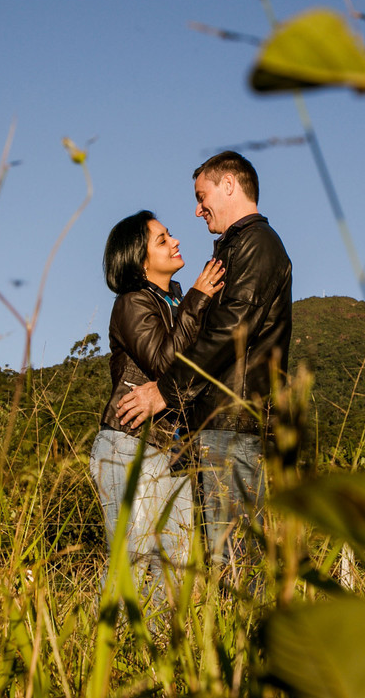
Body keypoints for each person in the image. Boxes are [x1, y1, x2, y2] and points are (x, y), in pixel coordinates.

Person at [117, 151, 292, 577]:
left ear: (229, 185)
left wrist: (165, 390)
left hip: (233, 426)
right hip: (218, 427)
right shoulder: (236, 248)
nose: (197, 209)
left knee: (232, 564)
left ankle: (239, 644)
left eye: (202, 196)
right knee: (223, 562)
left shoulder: (256, 245)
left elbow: (230, 329)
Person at [91, 210, 225, 606]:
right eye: (162, 239)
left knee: (177, 565)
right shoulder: (132, 303)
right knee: (131, 557)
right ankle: (104, 658)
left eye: (171, 235)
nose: (176, 241)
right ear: (140, 258)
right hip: (130, 443)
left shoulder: (179, 301)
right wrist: (199, 298)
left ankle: (161, 662)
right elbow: (165, 364)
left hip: (176, 452)